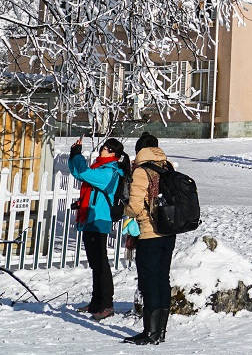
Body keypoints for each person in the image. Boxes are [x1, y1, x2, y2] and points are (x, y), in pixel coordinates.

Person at [121, 133, 175, 346]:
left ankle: (149, 332)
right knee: (163, 279)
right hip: (169, 232)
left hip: (149, 233)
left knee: (150, 281)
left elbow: (134, 207)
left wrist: (122, 207)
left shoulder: (142, 171)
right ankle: (160, 331)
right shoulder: (167, 167)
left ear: (138, 150)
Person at [68, 137, 128, 319]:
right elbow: (78, 173)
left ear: (113, 154)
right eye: (103, 147)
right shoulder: (100, 167)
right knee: (96, 264)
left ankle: (107, 304)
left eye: (106, 148)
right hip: (91, 218)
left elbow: (84, 173)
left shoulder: (110, 172)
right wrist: (74, 154)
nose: (102, 149)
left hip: (99, 219)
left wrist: (78, 156)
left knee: (101, 264)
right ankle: (96, 302)